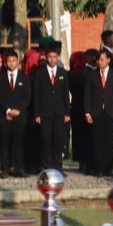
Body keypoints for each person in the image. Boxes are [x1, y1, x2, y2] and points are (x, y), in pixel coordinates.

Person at [84, 47, 113, 177]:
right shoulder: (92, 76)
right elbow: (87, 96)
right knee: (97, 141)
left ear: (108, 59)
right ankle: (99, 168)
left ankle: (109, 167)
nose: (99, 62)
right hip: (96, 113)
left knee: (109, 141)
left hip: (111, 113)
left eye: (102, 59)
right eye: (98, 60)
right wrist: (87, 112)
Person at [31, 42, 71, 171]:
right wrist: (37, 114)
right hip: (44, 112)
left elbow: (66, 94)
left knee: (58, 139)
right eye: (49, 57)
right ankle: (47, 166)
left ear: (57, 57)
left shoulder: (62, 73)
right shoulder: (40, 73)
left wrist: (67, 113)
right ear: (45, 57)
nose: (52, 59)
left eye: (54, 57)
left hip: (59, 112)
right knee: (46, 139)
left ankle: (58, 166)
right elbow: (36, 95)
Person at [0, 49, 31, 177]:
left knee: (19, 143)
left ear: (18, 61)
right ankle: (5, 169)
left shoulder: (24, 78)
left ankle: (19, 168)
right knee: (4, 143)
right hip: (4, 116)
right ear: (5, 63)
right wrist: (8, 111)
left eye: (13, 61)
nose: (11, 63)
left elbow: (27, 96)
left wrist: (17, 111)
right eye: (8, 61)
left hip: (20, 116)